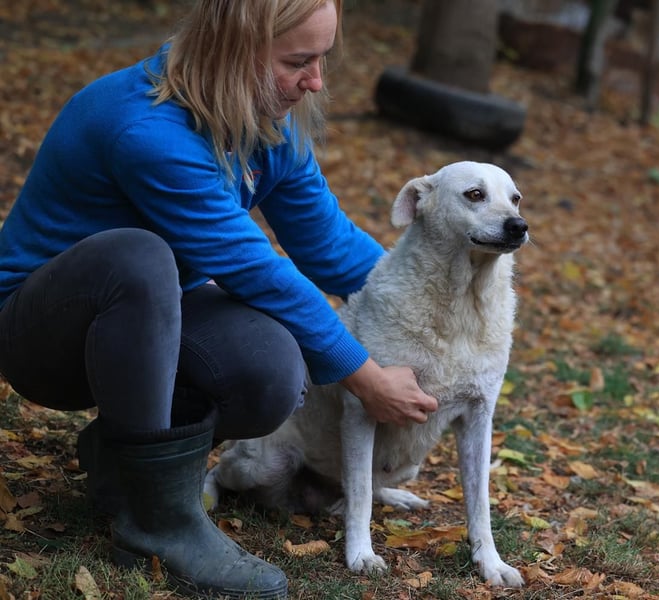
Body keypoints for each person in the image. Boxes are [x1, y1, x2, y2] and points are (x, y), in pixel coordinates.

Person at [0, 0, 438, 598]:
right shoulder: (146, 129)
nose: (316, 81)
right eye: (299, 61)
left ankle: (122, 460)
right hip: (42, 333)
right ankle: (160, 521)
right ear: (234, 52)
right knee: (139, 255)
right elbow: (252, 267)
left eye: (322, 60)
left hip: (152, 321)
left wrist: (431, 311)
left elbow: (330, 244)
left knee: (272, 370)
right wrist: (365, 375)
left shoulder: (267, 124)